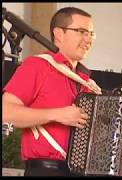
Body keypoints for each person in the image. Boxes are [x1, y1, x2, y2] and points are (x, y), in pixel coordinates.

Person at [2, 7, 98, 176]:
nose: (88, 39)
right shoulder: (37, 66)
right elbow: (6, 112)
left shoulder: (88, 84)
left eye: (91, 33)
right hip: (46, 170)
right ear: (59, 33)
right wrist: (57, 115)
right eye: (82, 31)